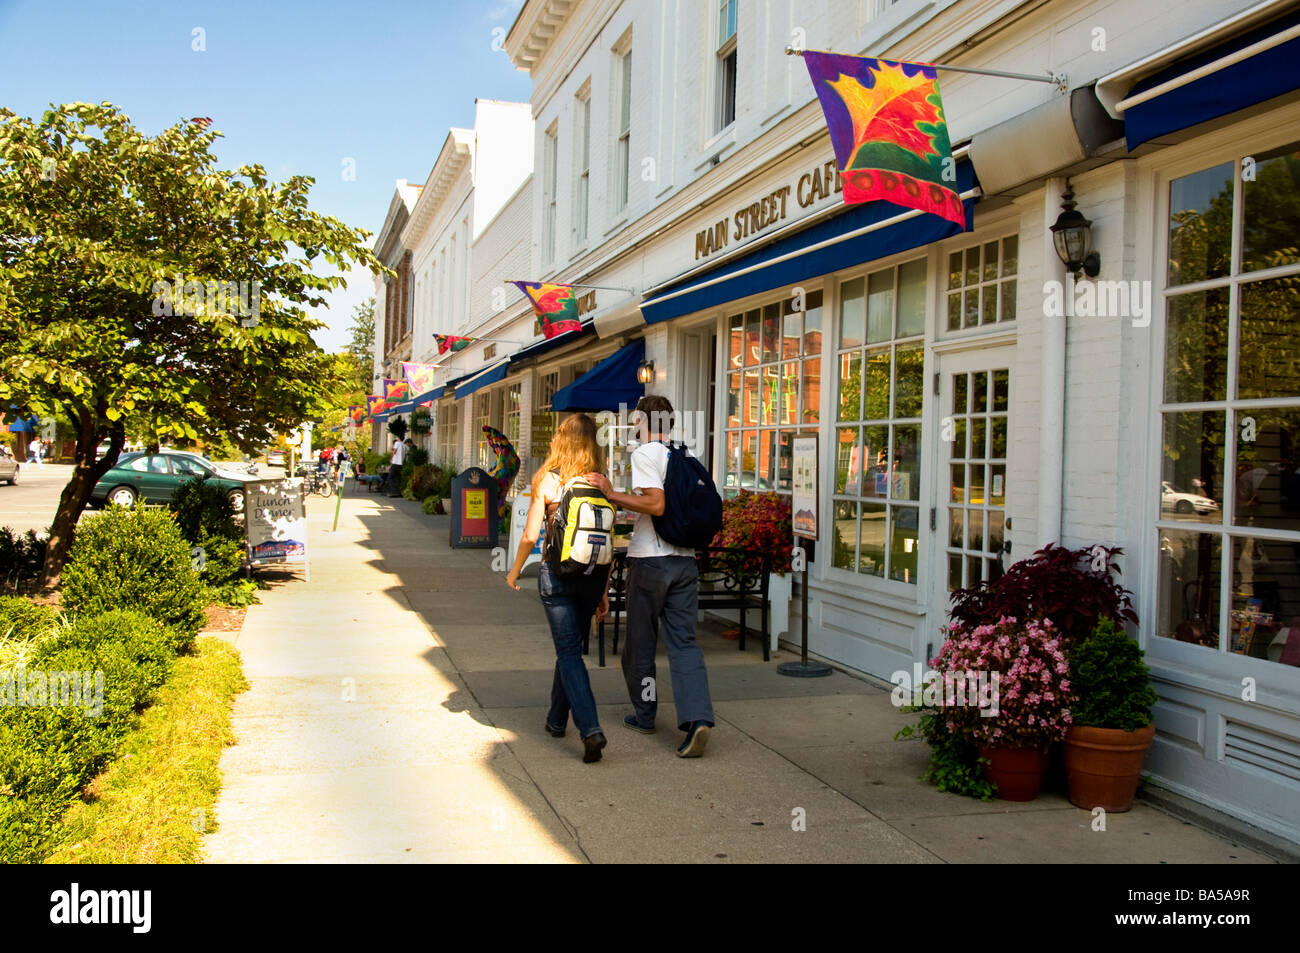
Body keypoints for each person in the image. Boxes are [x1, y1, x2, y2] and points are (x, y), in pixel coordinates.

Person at [586, 395, 715, 758]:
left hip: (651, 563)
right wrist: (633, 506)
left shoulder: (646, 453)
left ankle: (644, 716)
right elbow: (668, 507)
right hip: (685, 563)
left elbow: (656, 504)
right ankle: (697, 719)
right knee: (684, 645)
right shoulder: (685, 455)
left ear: (643, 419)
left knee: (640, 645)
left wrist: (613, 494)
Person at [506, 414, 611, 763]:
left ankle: (591, 729)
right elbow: (603, 539)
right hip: (591, 576)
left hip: (557, 574)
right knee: (570, 649)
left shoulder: (549, 481)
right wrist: (603, 590)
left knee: (568, 653)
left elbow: (529, 535)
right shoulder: (600, 481)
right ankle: (555, 720)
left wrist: (515, 570)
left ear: (560, 440)